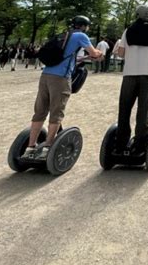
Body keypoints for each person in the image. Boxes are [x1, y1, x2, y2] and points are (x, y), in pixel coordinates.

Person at [22, 16, 102, 159]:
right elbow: (94, 53)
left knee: (39, 112)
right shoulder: (81, 36)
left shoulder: (63, 35)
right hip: (60, 78)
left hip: (45, 75)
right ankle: (47, 148)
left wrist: (81, 59)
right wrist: (99, 54)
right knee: (56, 113)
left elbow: (66, 55)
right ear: (84, 26)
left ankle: (30, 147)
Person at [114, 5, 148, 154]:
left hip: (129, 73)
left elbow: (121, 53)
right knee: (144, 109)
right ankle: (139, 145)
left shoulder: (128, 30)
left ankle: (121, 144)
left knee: (124, 108)